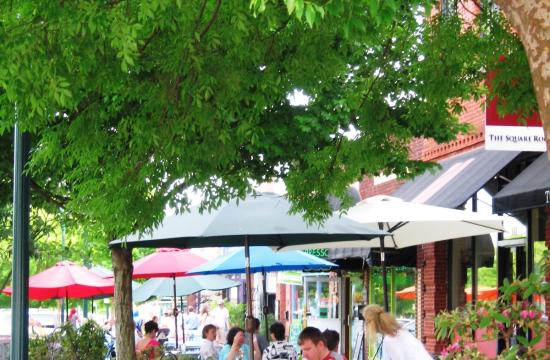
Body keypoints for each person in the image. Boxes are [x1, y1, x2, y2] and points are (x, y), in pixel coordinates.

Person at [362, 304, 432, 360]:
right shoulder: (400, 333)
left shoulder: (390, 340)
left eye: (366, 322)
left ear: (371, 322)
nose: (365, 325)